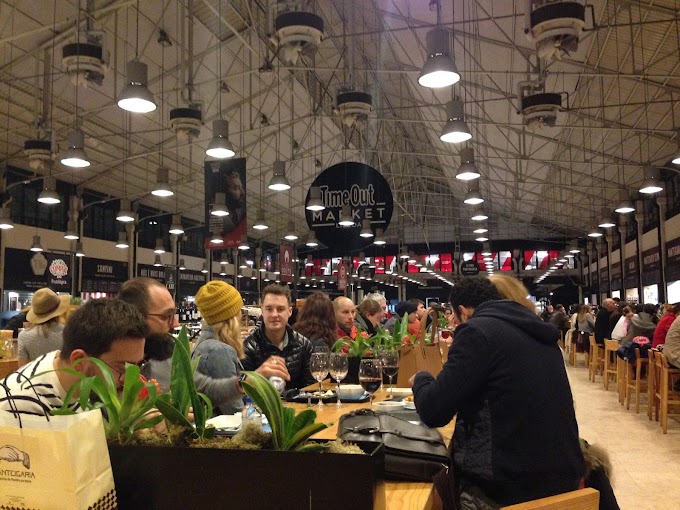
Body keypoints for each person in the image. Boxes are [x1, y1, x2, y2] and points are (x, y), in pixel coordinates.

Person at [411, 277, 584, 507]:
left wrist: (421, 378)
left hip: (508, 491)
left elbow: (433, 410)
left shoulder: (476, 332)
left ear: (462, 311)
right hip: (565, 485)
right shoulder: (540, 333)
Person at [118, 277, 287, 407]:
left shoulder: (168, 357)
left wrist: (249, 380)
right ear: (136, 317)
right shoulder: (110, 367)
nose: (176, 323)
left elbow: (207, 388)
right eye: (166, 317)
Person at [1, 298, 148, 416]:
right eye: (122, 368)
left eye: (136, 367)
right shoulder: (22, 407)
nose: (130, 380)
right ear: (79, 361)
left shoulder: (65, 370)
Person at [242, 284, 315, 390]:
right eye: (269, 309)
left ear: (290, 311)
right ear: (262, 310)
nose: (274, 314)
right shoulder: (247, 348)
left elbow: (310, 389)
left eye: (280, 309)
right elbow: (243, 392)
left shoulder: (304, 346)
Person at [193, 281, 246, 416]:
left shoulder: (202, 344)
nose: (241, 314)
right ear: (232, 315)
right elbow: (234, 410)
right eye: (239, 309)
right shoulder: (219, 351)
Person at [16, 288, 71, 367]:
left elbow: (22, 369)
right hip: (62, 378)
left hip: (34, 378)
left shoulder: (24, 336)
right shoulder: (68, 333)